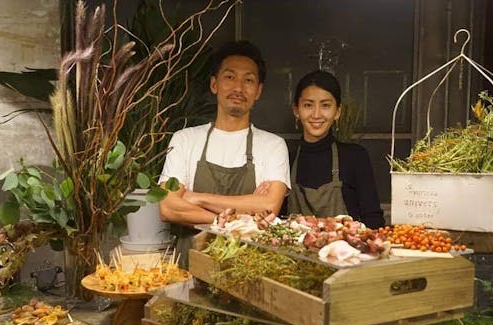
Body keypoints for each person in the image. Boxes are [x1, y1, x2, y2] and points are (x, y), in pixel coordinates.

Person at [159, 40, 290, 264]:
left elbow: (268, 207)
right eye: (229, 77)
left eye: (248, 80)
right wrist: (234, 220)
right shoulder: (184, 139)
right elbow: (168, 207)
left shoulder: (273, 145)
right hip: (188, 267)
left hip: (247, 269)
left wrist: (195, 198)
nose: (238, 88)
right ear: (214, 84)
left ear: (258, 91)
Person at [286, 69, 385, 229]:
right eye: (308, 105)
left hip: (346, 245)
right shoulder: (286, 159)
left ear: (337, 111)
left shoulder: (355, 157)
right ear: (296, 110)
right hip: (294, 245)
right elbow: (276, 221)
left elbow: (374, 220)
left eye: (325, 105)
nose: (316, 114)